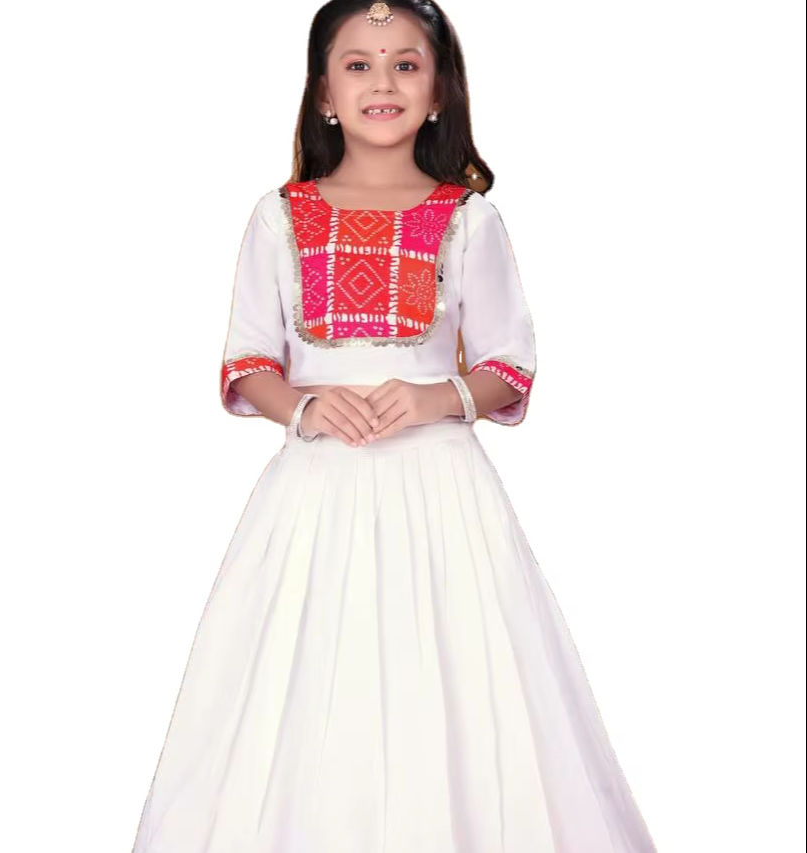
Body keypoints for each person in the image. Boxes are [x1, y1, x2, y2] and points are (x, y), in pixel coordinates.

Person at [131, 2, 659, 851]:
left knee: (455, 676)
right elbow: (246, 361)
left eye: (406, 64)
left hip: (442, 491)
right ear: (323, 93)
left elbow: (509, 363)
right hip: (314, 491)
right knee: (302, 679)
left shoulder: (469, 217)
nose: (383, 81)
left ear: (440, 90)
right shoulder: (277, 216)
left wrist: (434, 397)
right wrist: (306, 407)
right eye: (358, 64)